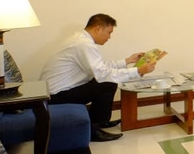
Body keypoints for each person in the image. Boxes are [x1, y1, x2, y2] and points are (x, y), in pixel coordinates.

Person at [40, 13, 157, 142]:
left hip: (54, 92)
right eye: (109, 32)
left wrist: (128, 60)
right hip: (56, 96)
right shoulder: (84, 44)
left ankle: (100, 122)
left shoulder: (80, 40)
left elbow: (100, 67)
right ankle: (94, 129)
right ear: (98, 29)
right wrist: (137, 71)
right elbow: (103, 74)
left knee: (105, 81)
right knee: (107, 84)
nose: (109, 37)